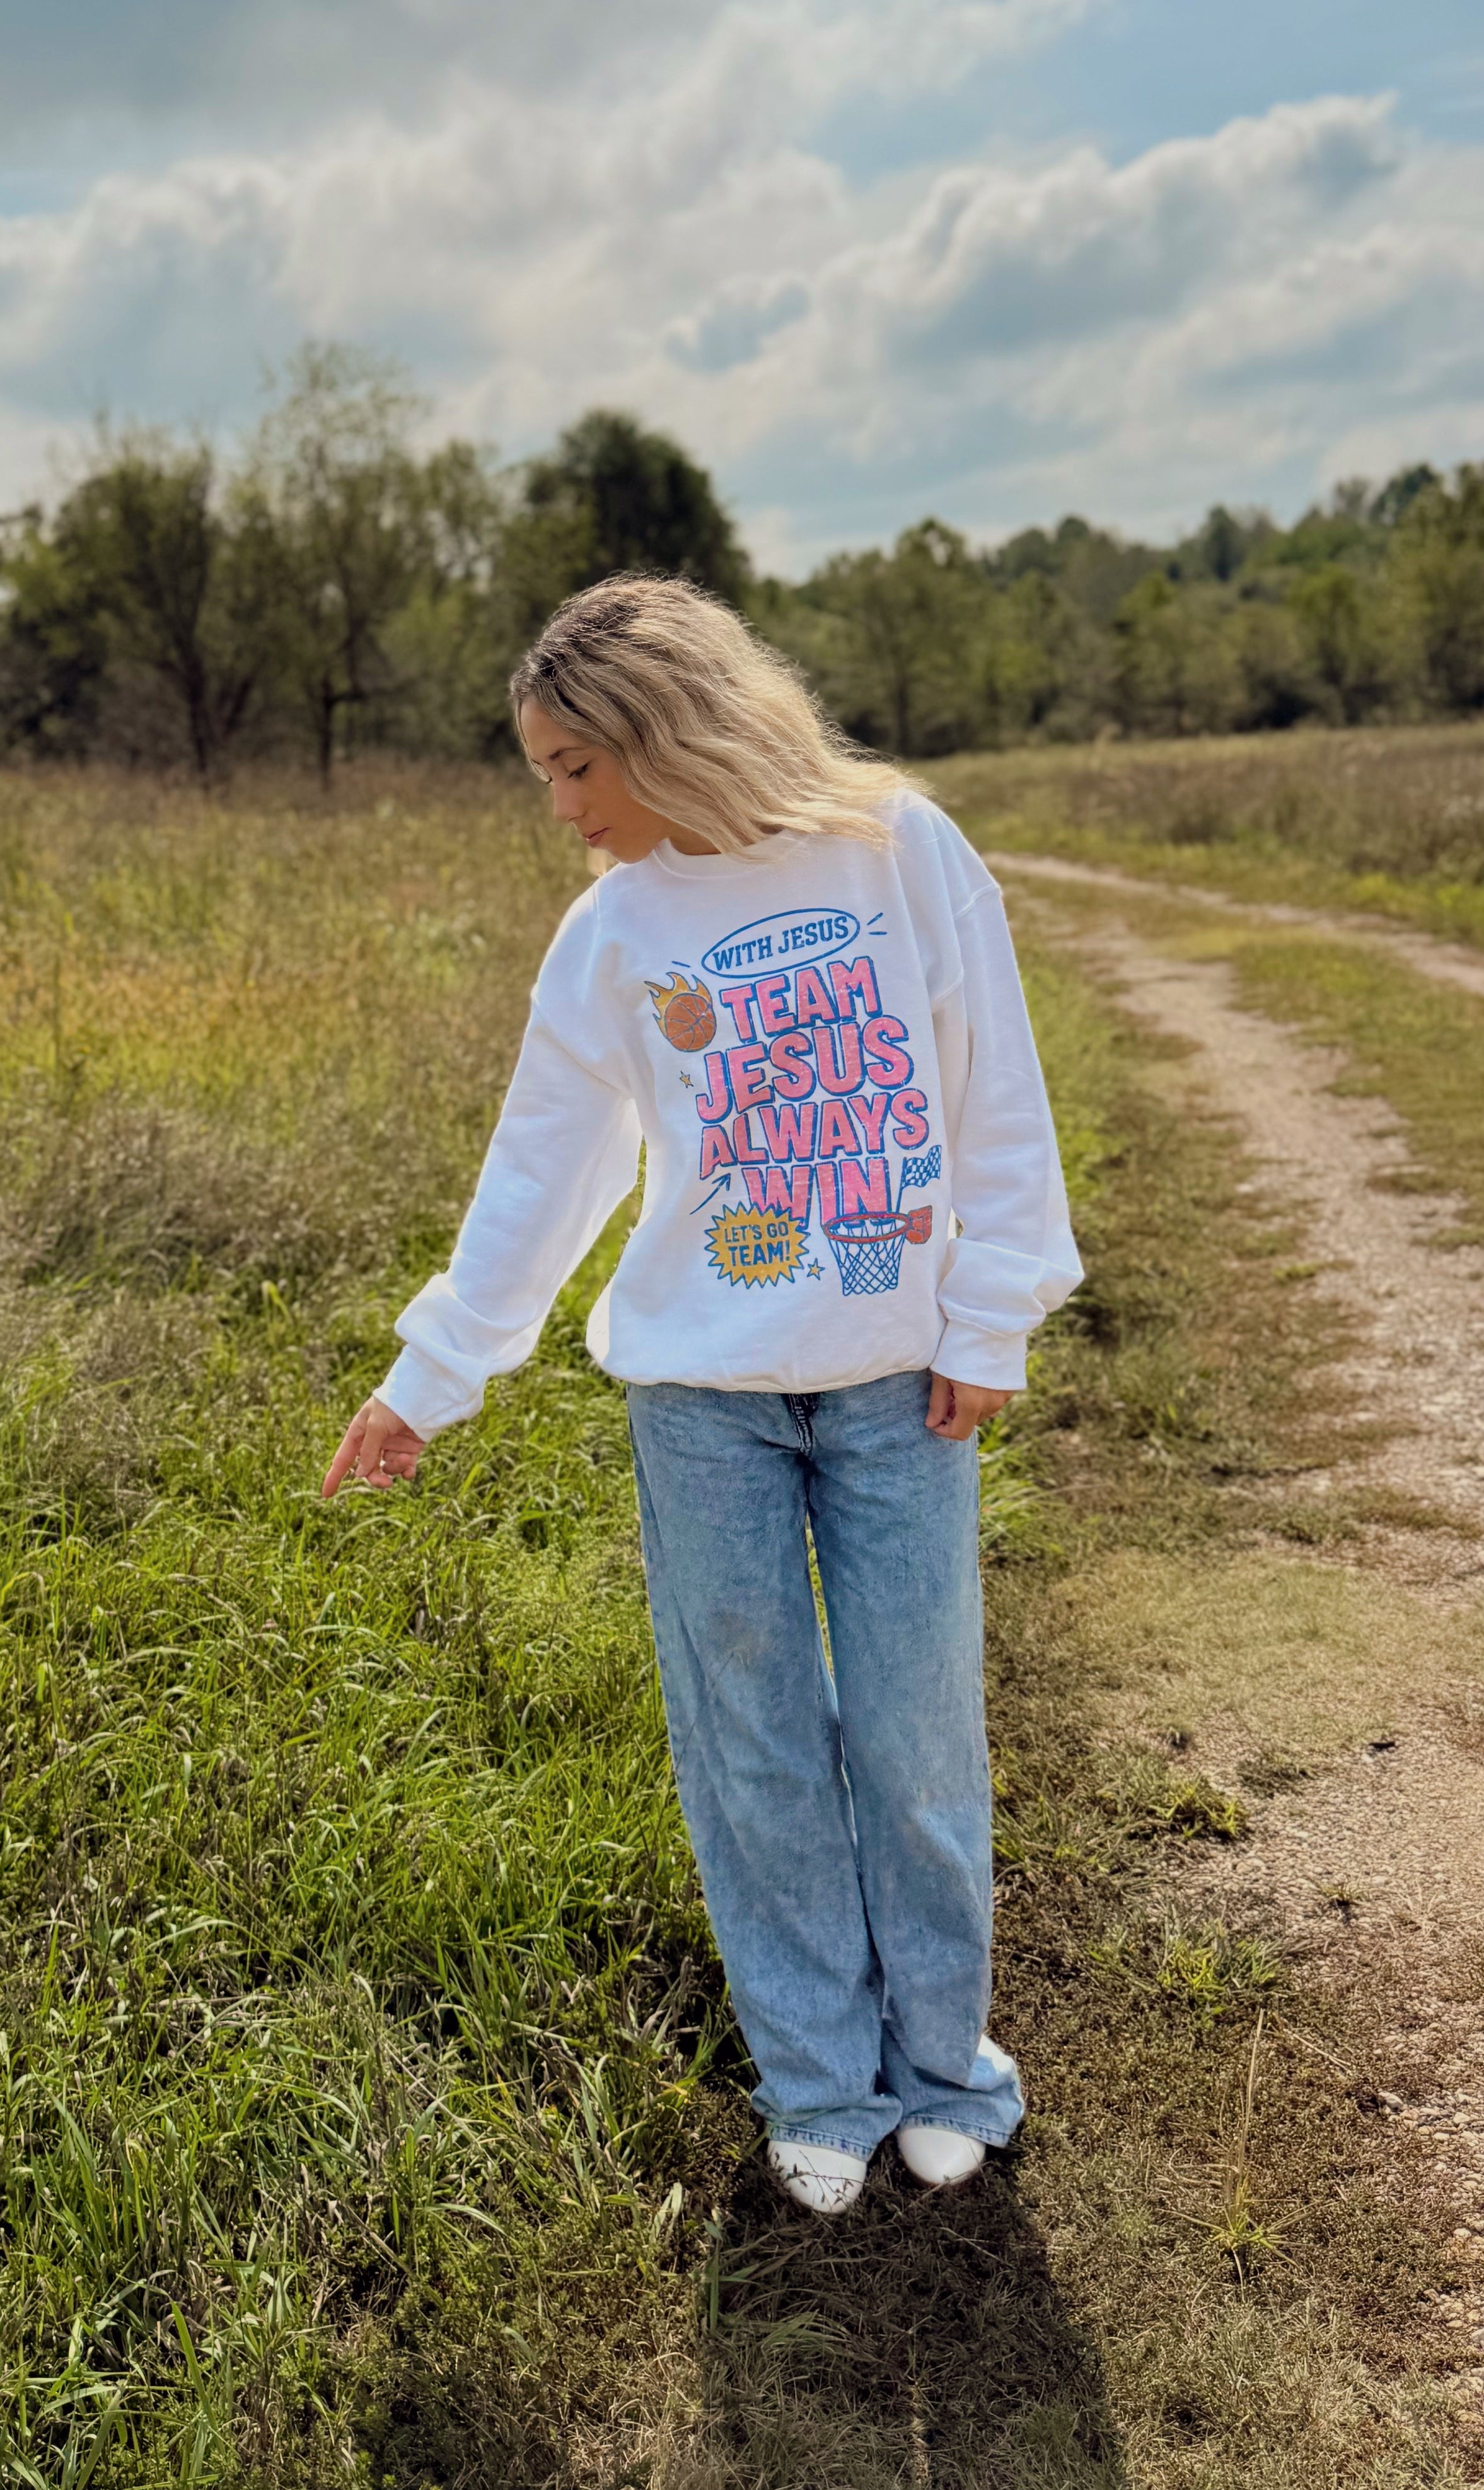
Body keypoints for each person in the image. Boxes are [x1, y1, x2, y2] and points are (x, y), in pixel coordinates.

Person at [322, 577, 1080, 2217]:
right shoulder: (613, 935)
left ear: (669, 730)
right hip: (701, 1403)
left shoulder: (899, 850)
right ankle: (823, 2077)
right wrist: (429, 1378)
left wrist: (989, 1320)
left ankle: (949, 2068)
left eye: (576, 765)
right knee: (754, 1749)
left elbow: (993, 1088)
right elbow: (545, 1173)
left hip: (900, 1389)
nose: (564, 808)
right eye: (546, 775)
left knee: (914, 1734)